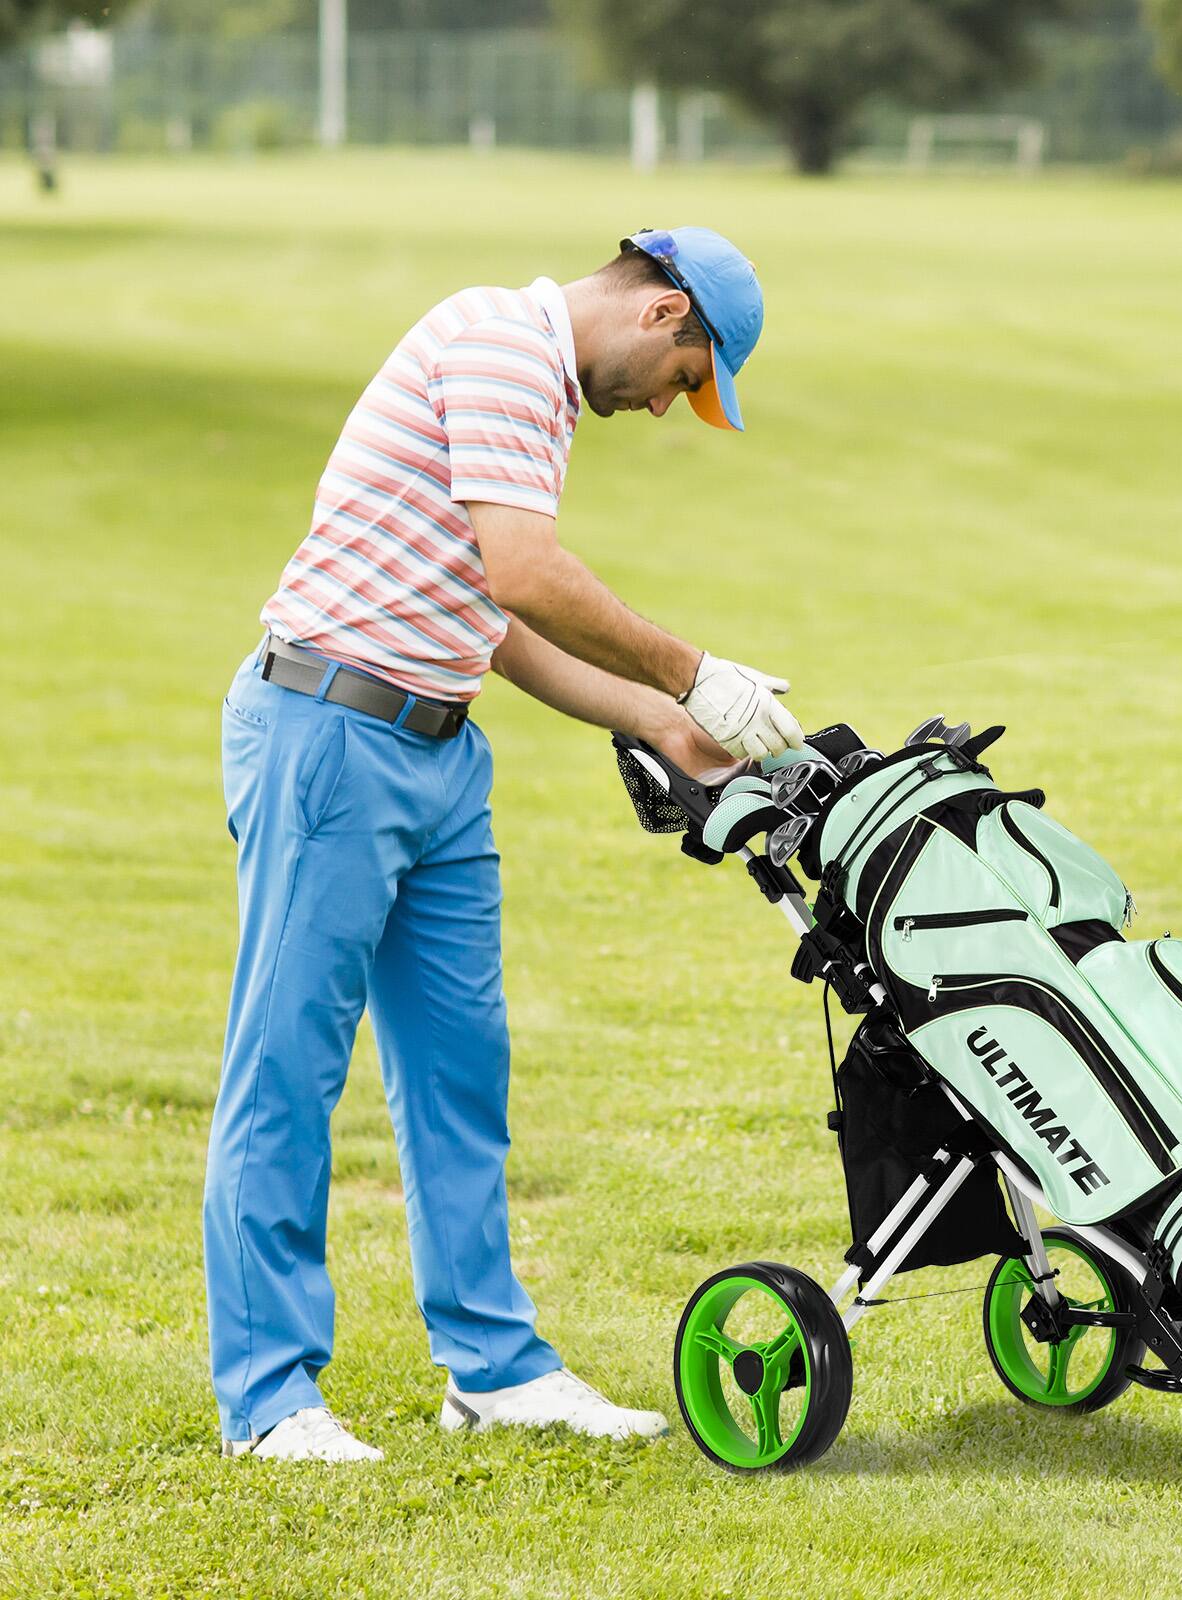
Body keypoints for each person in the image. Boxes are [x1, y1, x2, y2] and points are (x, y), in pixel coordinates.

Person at [205, 227, 804, 1462]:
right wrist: (697, 670)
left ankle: (492, 1365)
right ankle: (267, 1396)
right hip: (330, 733)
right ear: (662, 313)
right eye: (687, 378)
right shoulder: (497, 347)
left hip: (436, 750)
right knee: (288, 1069)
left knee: (459, 1072)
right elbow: (524, 572)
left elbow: (489, 612)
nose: (664, 408)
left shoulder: (538, 388)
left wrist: (662, 719)